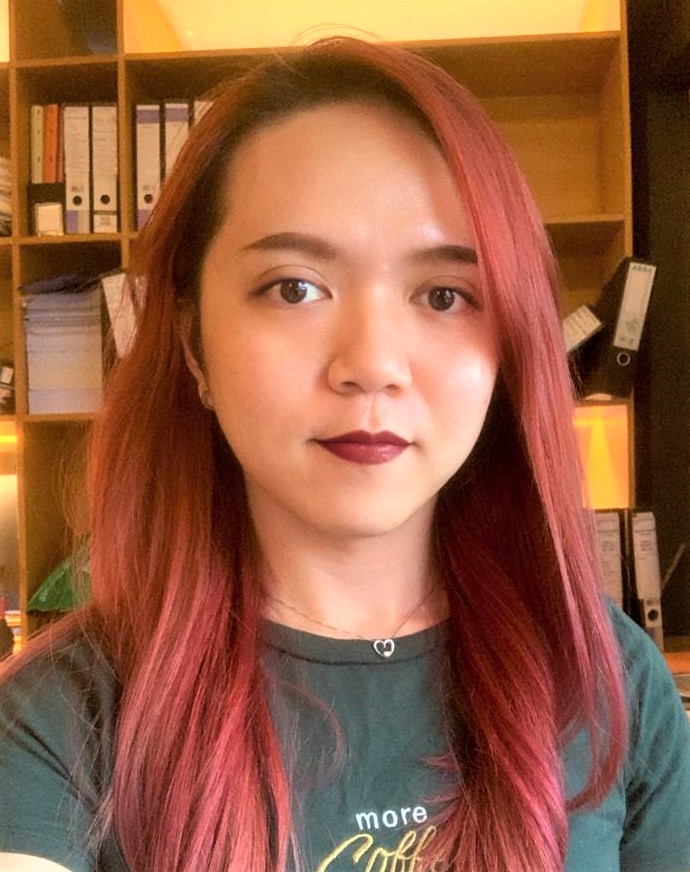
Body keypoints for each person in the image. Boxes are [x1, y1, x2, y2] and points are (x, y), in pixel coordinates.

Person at [1, 36, 689, 872]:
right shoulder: (61, 715)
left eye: (445, 295)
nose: (372, 363)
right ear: (191, 343)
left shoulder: (608, 678)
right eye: (294, 287)